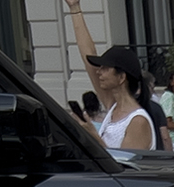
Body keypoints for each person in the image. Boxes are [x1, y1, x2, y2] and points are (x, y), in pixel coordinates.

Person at [58, 0, 154, 153]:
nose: (98, 71)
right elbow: (88, 56)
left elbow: (125, 170)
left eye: (105, 68)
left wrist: (93, 136)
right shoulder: (113, 106)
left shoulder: (138, 121)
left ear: (121, 77)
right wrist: (75, 9)